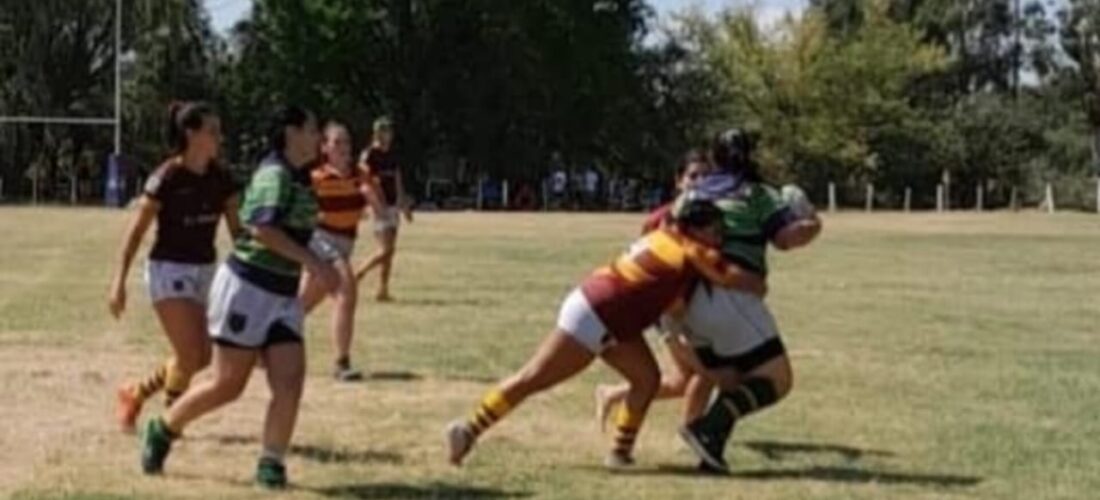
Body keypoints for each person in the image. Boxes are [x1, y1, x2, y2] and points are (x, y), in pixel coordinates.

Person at [445, 198, 765, 469]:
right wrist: (758, 283)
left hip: (609, 314)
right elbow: (734, 279)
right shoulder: (690, 251)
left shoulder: (665, 235)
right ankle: (468, 430)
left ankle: (620, 453)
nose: (719, 238)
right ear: (694, 229)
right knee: (533, 377)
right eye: (714, 230)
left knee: (646, 379)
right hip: (595, 315)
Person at [139, 105, 338, 489]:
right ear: (291, 133)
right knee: (228, 385)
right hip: (248, 290)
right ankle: (163, 428)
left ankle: (271, 463)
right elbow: (263, 230)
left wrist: (326, 259)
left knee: (290, 380)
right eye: (313, 129)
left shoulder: (300, 177)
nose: (318, 138)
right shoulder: (274, 174)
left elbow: (298, 230)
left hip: (281, 294)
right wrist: (315, 263)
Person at [674, 128, 822, 472]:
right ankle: (706, 428)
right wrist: (814, 224)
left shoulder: (692, 193)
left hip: (686, 303)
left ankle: (711, 453)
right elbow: (786, 238)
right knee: (777, 379)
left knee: (731, 379)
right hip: (730, 299)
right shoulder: (756, 194)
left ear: (714, 157)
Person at [110, 101, 241, 433]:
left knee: (201, 357)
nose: (219, 137)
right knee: (189, 352)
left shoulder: (221, 177)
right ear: (191, 134)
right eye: (212, 131)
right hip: (168, 271)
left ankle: (135, 393)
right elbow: (137, 232)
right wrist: (119, 281)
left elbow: (238, 232)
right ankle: (169, 425)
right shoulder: (166, 177)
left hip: (205, 270)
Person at [595, 150, 742, 430]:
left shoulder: (716, 219)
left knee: (682, 381)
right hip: (672, 310)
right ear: (678, 181)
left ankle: (612, 394)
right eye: (693, 176)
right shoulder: (659, 219)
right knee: (708, 372)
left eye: (705, 176)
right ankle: (693, 433)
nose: (699, 182)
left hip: (699, 307)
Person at [299, 121, 384, 381]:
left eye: (346, 141)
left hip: (345, 243)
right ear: (324, 148)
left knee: (299, 306)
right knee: (347, 289)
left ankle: (261, 346)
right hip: (320, 240)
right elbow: (301, 212)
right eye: (337, 142)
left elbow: (379, 211)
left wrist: (371, 198)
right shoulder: (316, 178)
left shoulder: (361, 174)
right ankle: (342, 362)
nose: (343, 147)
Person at [354, 117, 412, 302]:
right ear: (377, 133)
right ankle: (358, 273)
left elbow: (397, 179)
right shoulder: (369, 154)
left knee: (390, 251)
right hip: (379, 206)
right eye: (385, 131)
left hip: (393, 205)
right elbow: (364, 179)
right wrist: (371, 203)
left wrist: (403, 204)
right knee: (385, 250)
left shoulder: (393, 155)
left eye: (390, 131)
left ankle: (383, 290)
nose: (389, 135)